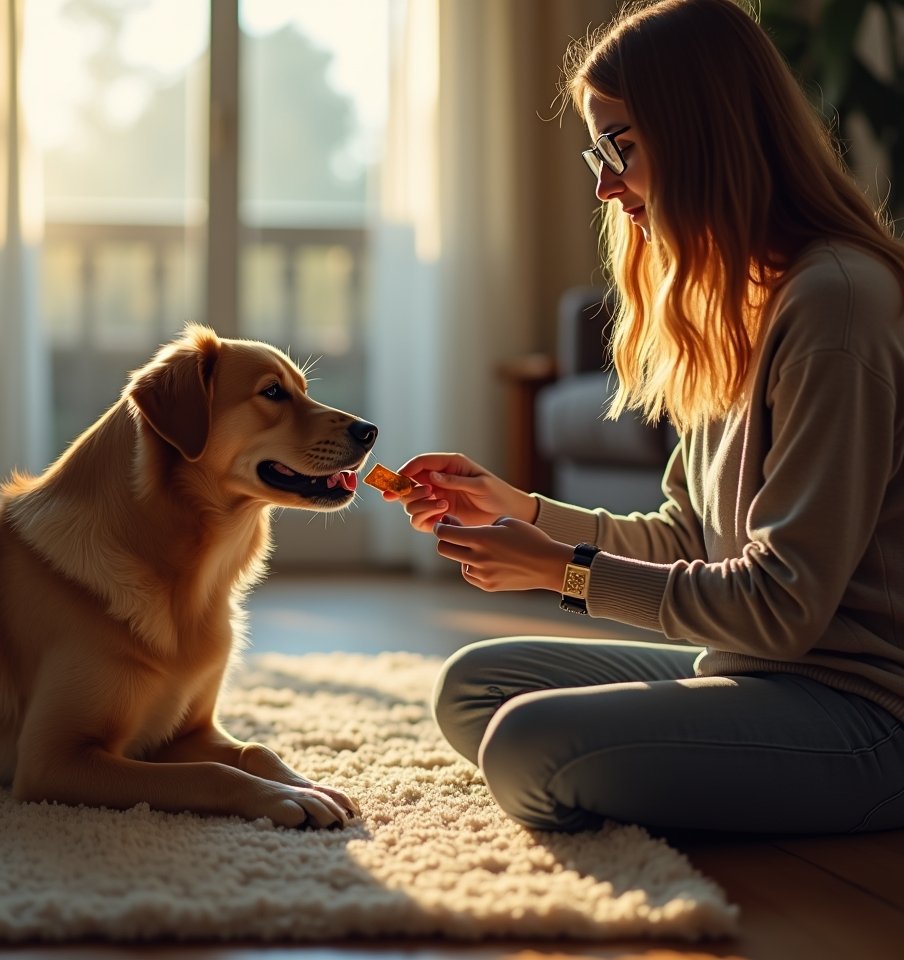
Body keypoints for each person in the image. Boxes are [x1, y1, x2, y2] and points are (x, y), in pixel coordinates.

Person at [387, 0, 904, 835]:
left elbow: (779, 605)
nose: (603, 182)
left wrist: (561, 571)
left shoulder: (836, 303)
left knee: (529, 745)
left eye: (619, 146)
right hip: (759, 673)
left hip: (868, 716)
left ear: (704, 130)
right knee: (475, 686)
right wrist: (519, 512)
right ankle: (681, 769)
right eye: (598, 151)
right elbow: (688, 536)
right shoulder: (740, 301)